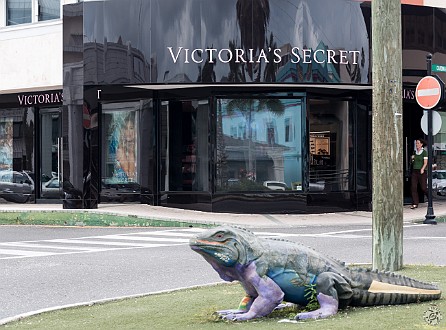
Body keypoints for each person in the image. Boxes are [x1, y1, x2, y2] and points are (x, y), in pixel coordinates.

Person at [410, 138, 428, 209]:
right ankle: (415, 203)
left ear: (421, 144)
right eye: (416, 143)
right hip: (415, 171)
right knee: (413, 187)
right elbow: (413, 162)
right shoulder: (415, 152)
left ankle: (429, 197)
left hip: (422, 171)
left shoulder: (424, 152)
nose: (416, 144)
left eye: (418, 143)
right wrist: (412, 158)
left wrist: (422, 169)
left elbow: (425, 162)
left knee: (423, 188)